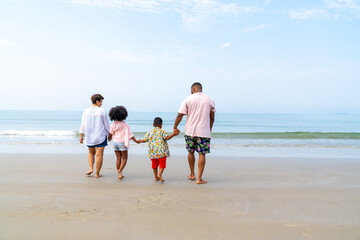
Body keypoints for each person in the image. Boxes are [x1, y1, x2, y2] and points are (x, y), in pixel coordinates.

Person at [173, 82, 215, 184]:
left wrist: (175, 127)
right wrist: (209, 128)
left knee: (190, 152)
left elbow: (180, 115)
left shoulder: (188, 98)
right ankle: (199, 179)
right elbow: (212, 117)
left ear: (193, 89)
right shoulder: (209, 99)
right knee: (202, 154)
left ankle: (192, 174)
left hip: (190, 131)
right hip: (203, 131)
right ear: (200, 89)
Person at [138, 117, 179, 182]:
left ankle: (155, 177)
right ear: (161, 125)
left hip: (153, 152)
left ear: (153, 125)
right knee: (162, 164)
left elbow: (145, 140)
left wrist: (140, 141)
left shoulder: (150, 132)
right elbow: (167, 138)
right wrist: (173, 134)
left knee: (154, 165)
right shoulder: (162, 131)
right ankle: (159, 175)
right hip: (161, 152)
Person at [79, 94, 110, 178]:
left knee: (91, 153)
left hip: (89, 136)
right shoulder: (102, 111)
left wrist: (81, 136)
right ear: (97, 101)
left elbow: (83, 124)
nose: (102, 103)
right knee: (99, 155)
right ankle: (97, 173)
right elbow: (106, 124)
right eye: (101, 101)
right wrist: (109, 134)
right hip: (101, 136)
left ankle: (91, 168)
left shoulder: (86, 111)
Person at [108, 105, 140, 179]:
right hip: (122, 143)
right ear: (123, 115)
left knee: (118, 158)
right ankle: (120, 170)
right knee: (124, 159)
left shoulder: (113, 124)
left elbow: (110, 134)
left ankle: (119, 173)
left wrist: (109, 139)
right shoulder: (124, 124)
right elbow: (130, 134)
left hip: (115, 143)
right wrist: (136, 141)